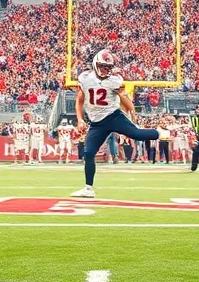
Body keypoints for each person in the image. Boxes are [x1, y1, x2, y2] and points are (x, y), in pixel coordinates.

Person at [71, 50, 167, 198]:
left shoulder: (114, 80)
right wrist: (80, 119)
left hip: (114, 116)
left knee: (136, 134)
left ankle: (160, 132)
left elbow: (126, 100)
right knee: (88, 153)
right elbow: (79, 100)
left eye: (108, 67)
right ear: (96, 64)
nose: (106, 70)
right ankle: (88, 189)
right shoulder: (85, 78)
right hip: (97, 122)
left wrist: (130, 109)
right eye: (103, 66)